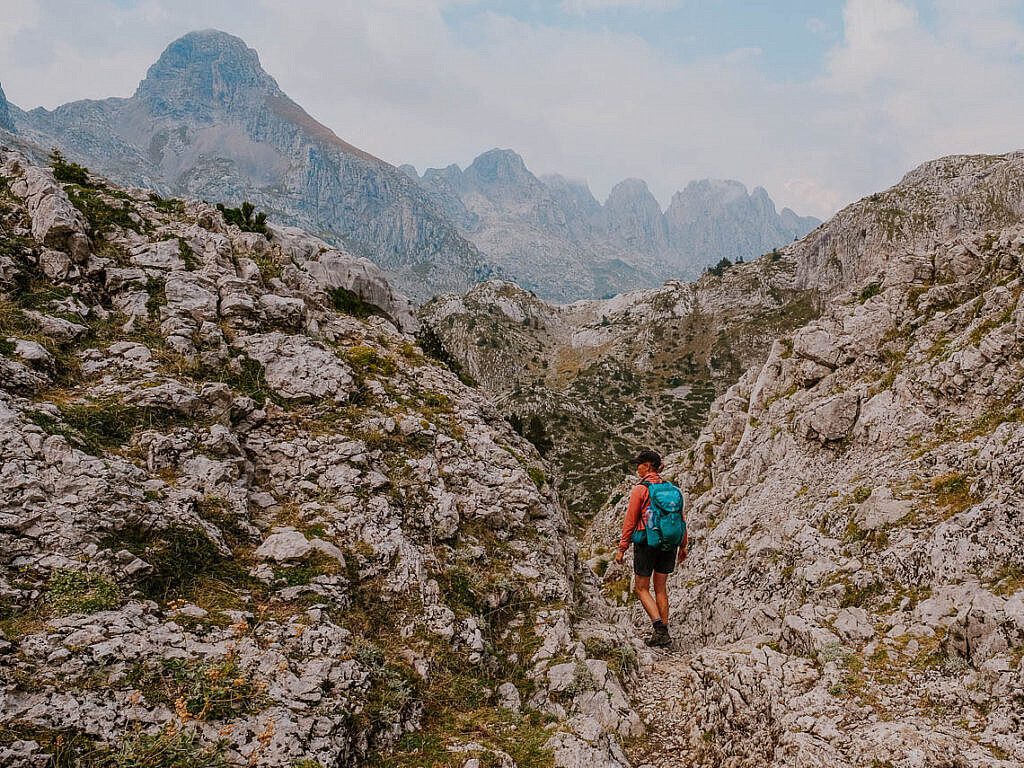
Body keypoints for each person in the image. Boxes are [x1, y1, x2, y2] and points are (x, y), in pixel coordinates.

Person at [614, 449, 687, 647]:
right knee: (661, 588)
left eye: (639, 464)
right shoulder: (672, 489)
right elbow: (681, 519)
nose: (637, 467)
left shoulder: (640, 489)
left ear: (648, 466)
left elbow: (630, 520)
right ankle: (664, 633)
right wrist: (683, 546)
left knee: (641, 588)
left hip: (646, 543)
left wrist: (622, 548)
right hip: (669, 544)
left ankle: (660, 629)